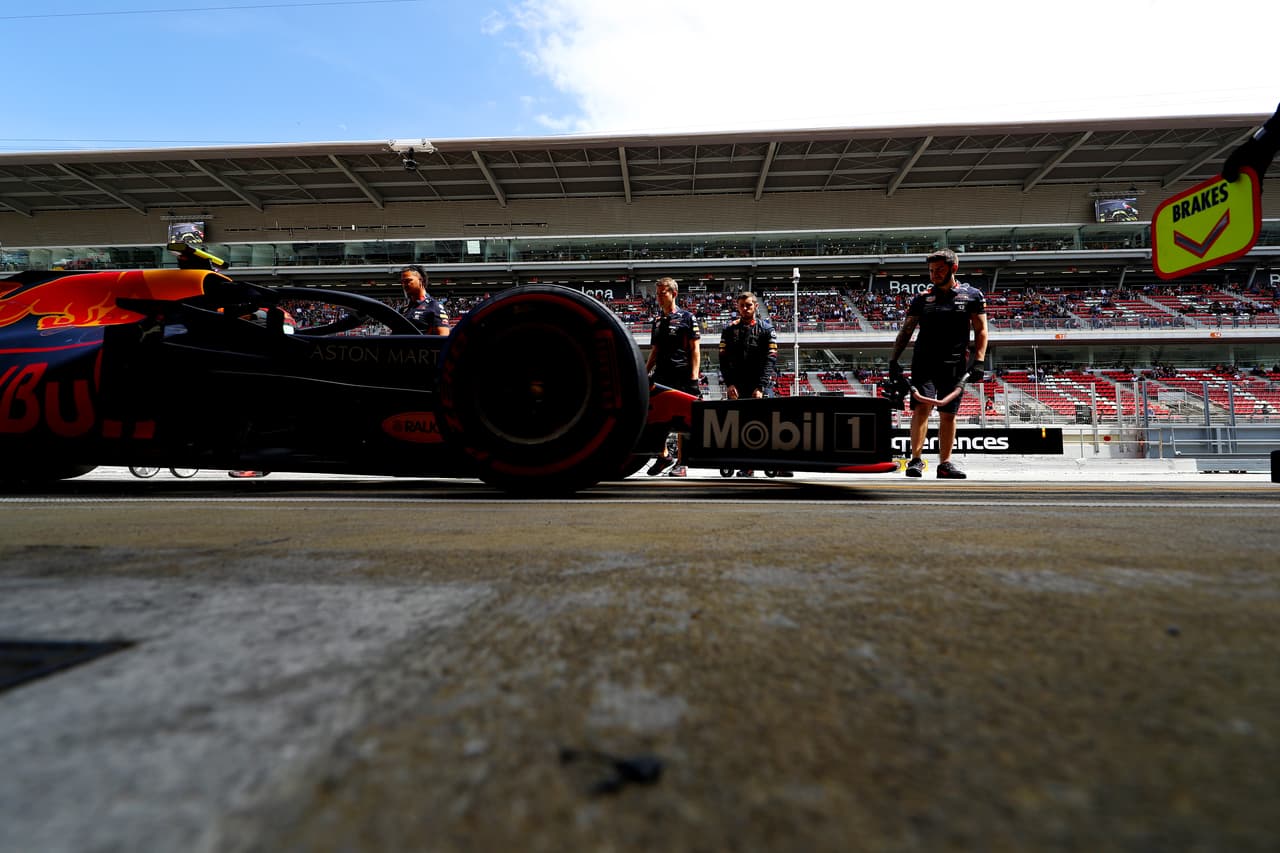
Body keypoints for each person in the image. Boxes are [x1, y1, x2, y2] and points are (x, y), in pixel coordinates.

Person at [889, 248, 988, 479]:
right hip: (924, 363)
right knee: (921, 408)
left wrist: (980, 361)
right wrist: (894, 360)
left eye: (939, 270)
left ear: (953, 268)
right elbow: (906, 331)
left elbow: (981, 330)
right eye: (931, 270)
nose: (934, 274)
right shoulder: (922, 299)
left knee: (948, 414)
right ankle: (915, 460)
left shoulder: (972, 295)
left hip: (955, 364)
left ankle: (945, 464)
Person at [644, 277, 701, 476]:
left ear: (673, 294)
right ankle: (663, 456)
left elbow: (695, 349)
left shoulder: (687, 317)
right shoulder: (658, 321)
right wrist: (644, 372)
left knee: (682, 419)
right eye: (657, 293)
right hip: (661, 375)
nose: (658, 297)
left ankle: (682, 463)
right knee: (656, 416)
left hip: (682, 374)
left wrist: (694, 378)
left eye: (663, 293)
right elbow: (655, 350)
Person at [718, 290, 778, 477]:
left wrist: (760, 386)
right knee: (740, 426)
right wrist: (729, 384)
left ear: (755, 306)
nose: (745, 308)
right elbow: (723, 360)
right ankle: (747, 465)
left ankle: (778, 463)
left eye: (749, 305)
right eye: (742, 305)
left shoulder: (767, 329)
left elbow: (771, 359)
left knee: (769, 424)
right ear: (737, 307)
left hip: (760, 385)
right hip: (738, 386)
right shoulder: (729, 330)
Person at [399, 265, 450, 335]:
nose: (405, 284)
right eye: (403, 282)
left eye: (408, 280)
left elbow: (443, 338)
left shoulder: (434, 306)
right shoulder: (403, 309)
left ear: (421, 280)